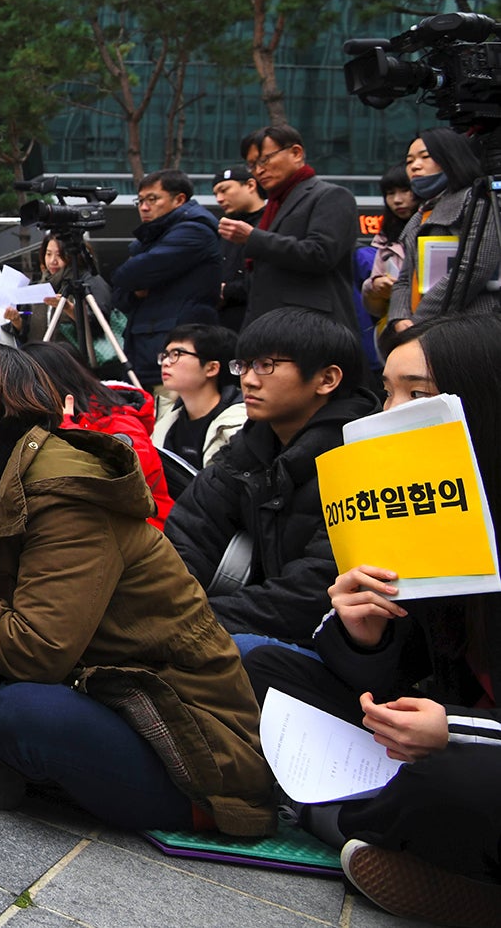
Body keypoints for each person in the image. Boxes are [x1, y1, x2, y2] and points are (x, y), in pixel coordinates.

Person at [0, 343, 274, 834]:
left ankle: (188, 811)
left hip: (189, 736)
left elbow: (37, 651)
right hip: (98, 683)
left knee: (18, 714)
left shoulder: (63, 493)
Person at [242, 314, 501, 926]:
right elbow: (395, 676)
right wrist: (363, 633)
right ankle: (382, 832)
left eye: (417, 393)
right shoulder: (409, 501)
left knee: (455, 785)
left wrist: (454, 729)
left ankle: (331, 816)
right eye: (387, 391)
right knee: (256, 664)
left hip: (466, 754)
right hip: (408, 741)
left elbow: (455, 726)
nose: (391, 412)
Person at [164, 308, 377, 651]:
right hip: (243, 625)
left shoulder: (362, 459)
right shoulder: (246, 450)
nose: (248, 380)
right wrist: (161, 612)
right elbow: (186, 539)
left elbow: (315, 590)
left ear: (327, 379)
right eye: (244, 366)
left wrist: (194, 621)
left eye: (266, 365)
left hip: (337, 648)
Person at [217, 125, 360, 333]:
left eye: (265, 160)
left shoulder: (330, 196)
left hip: (313, 327)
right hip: (267, 325)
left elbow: (321, 254)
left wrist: (253, 238)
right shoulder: (273, 205)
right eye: (252, 165)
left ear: (296, 153)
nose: (259, 170)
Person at [20, 340, 173, 529]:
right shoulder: (46, 423)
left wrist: (69, 433)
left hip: (146, 531)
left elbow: (124, 481)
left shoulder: (117, 419)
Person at [109, 170, 222, 389]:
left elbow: (128, 274)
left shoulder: (195, 230)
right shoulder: (152, 237)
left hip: (178, 348)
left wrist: (133, 279)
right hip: (147, 346)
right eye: (140, 200)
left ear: (179, 199)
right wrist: (134, 289)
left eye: (152, 199)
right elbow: (120, 295)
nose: (144, 207)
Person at [385, 127, 495, 337]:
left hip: (469, 330)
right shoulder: (421, 214)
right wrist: (399, 319)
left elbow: (474, 268)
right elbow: (405, 278)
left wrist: (420, 319)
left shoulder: (478, 201)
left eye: (425, 157)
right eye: (409, 161)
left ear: (450, 156)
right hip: (423, 330)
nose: (415, 166)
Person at [2, 230, 123, 375]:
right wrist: (17, 322)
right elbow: (29, 330)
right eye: (48, 254)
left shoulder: (89, 282)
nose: (53, 261)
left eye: (59, 255)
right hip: (41, 367)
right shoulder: (41, 285)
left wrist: (69, 308)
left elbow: (99, 325)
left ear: (74, 256)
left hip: (77, 370)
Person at [150, 323, 246, 470]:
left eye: (176, 354)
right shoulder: (162, 419)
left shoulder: (238, 426)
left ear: (212, 368)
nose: (165, 362)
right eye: (165, 355)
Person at [361, 163, 418, 321]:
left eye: (405, 190)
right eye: (390, 193)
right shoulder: (385, 238)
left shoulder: (434, 226)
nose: (397, 200)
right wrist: (374, 287)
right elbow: (375, 310)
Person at [212, 165, 266, 330]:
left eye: (224, 190)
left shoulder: (273, 223)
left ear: (250, 185)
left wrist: (226, 290)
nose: (219, 199)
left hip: (260, 323)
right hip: (225, 327)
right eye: (216, 194)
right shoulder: (223, 230)